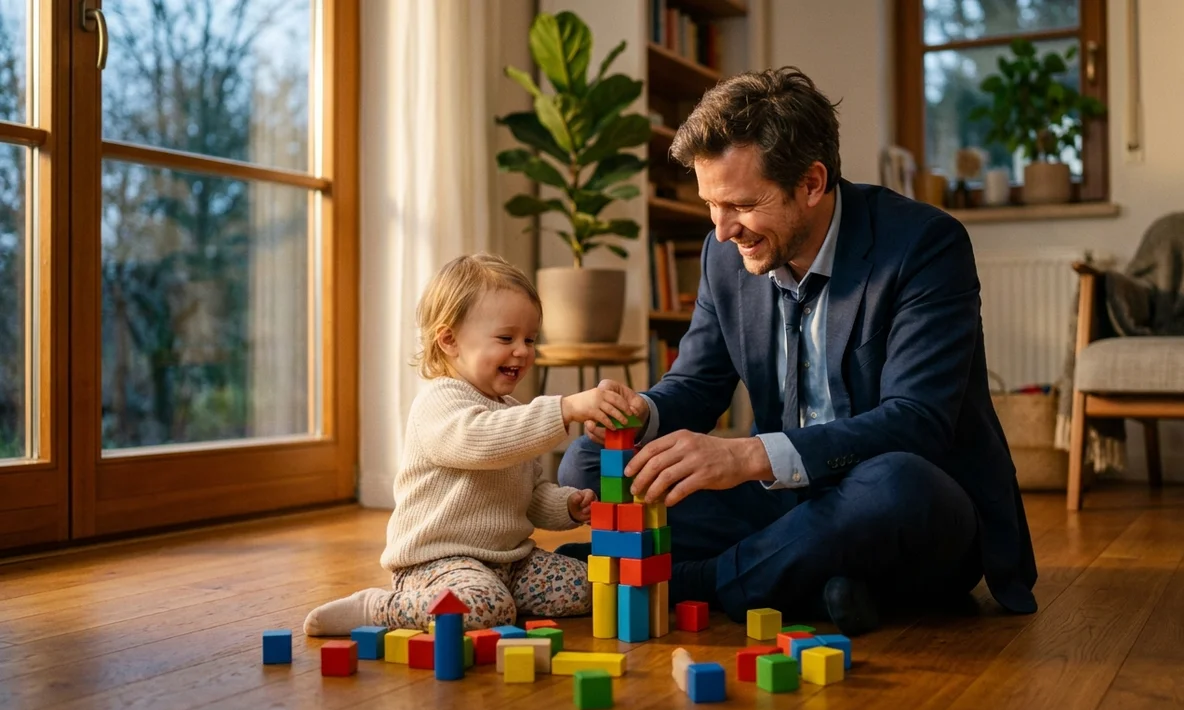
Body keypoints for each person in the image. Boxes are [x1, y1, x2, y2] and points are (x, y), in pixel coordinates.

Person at [557, 68, 1037, 635]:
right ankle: (816, 579)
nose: (722, 231)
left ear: (811, 183)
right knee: (589, 464)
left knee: (895, 486)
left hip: (906, 498)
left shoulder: (925, 245)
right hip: (786, 500)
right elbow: (698, 384)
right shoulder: (725, 256)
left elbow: (917, 423)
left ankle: (698, 580)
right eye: (711, 204)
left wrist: (744, 457)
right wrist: (642, 413)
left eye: (741, 204)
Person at [304, 253, 645, 634]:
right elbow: (480, 440)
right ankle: (378, 607)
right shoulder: (439, 402)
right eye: (506, 338)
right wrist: (564, 409)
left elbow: (529, 493)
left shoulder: (513, 413)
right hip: (438, 562)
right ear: (449, 340)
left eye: (530, 339)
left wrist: (567, 505)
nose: (522, 350)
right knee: (486, 606)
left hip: (510, 561)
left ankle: (496, 596)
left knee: (589, 587)